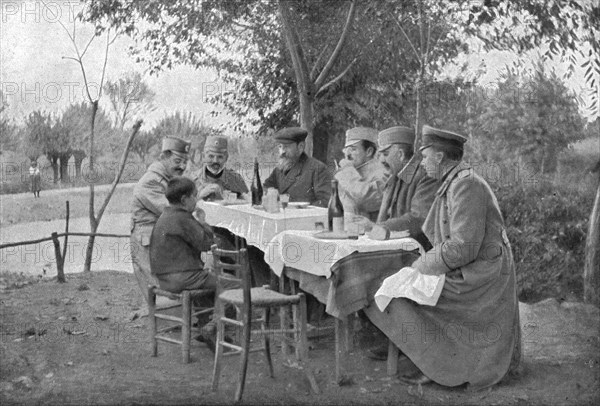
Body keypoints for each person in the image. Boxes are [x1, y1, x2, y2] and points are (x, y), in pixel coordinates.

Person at [364, 125, 521, 390]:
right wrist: (423, 266)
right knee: (403, 287)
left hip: (481, 275)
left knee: (404, 293)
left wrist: (421, 266)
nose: (422, 163)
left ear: (439, 157)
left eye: (425, 156)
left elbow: (462, 247)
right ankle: (436, 362)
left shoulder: (466, 184)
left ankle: (440, 367)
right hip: (473, 267)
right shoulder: (456, 181)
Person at [361, 126, 439, 361]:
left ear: (400, 154)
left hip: (423, 252)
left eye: (385, 153)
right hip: (398, 247)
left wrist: (381, 228)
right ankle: (385, 333)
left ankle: (398, 339)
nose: (380, 158)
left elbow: (418, 219)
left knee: (376, 273)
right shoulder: (397, 175)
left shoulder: (423, 176)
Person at [130, 136, 191, 303]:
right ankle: (161, 320)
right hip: (147, 240)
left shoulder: (166, 179)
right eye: (178, 160)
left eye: (185, 161)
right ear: (163, 156)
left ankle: (174, 317)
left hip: (160, 238)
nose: (182, 166)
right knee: (157, 285)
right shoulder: (151, 182)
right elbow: (172, 212)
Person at [263, 127, 332, 207]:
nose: (282, 152)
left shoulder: (317, 169)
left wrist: (297, 209)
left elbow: (326, 202)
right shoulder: (279, 169)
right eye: (280, 147)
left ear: (300, 147)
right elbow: (266, 188)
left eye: (286, 147)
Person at [334, 127, 388, 221]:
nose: (348, 155)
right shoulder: (350, 170)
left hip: (371, 230)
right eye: (347, 149)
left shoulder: (382, 173)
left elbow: (364, 200)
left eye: (353, 149)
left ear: (369, 152)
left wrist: (347, 171)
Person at [192, 135, 248, 201]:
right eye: (211, 156)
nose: (215, 161)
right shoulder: (192, 179)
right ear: (203, 156)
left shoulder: (236, 180)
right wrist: (200, 196)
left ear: (226, 158)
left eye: (220, 157)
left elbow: (248, 204)